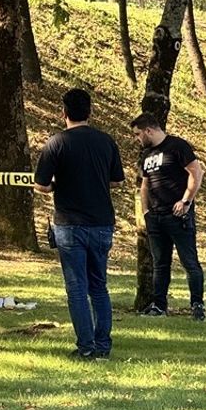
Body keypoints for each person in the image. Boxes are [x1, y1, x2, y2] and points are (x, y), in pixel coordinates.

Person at [34, 88, 125, 360]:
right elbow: (117, 181)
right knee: (99, 286)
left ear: (63, 113)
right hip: (102, 223)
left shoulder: (56, 143)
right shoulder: (106, 141)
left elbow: (41, 184)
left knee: (76, 288)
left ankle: (85, 346)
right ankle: (103, 346)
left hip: (70, 224)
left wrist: (55, 186)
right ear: (90, 112)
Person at [131, 113, 206, 320]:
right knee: (160, 263)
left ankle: (197, 305)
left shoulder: (177, 146)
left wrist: (186, 201)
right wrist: (145, 211)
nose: (138, 139)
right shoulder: (147, 154)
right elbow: (145, 184)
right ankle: (159, 305)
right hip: (155, 216)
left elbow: (196, 173)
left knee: (189, 262)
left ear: (149, 130)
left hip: (178, 215)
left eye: (138, 134)